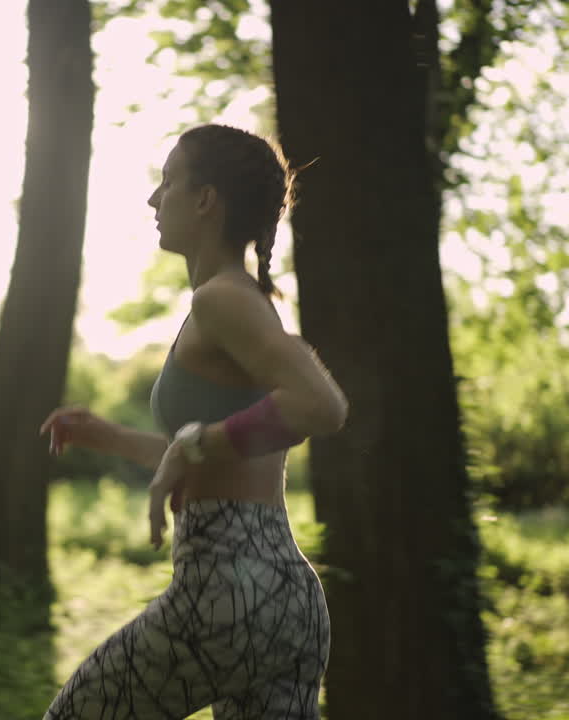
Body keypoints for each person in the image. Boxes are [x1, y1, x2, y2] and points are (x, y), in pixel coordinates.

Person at [39, 123, 348, 719]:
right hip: (287, 597)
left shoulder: (222, 300)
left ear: (206, 200)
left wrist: (195, 444)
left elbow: (321, 406)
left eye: (168, 182)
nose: (154, 200)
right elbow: (223, 452)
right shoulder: (238, 303)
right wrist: (107, 436)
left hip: (226, 589)